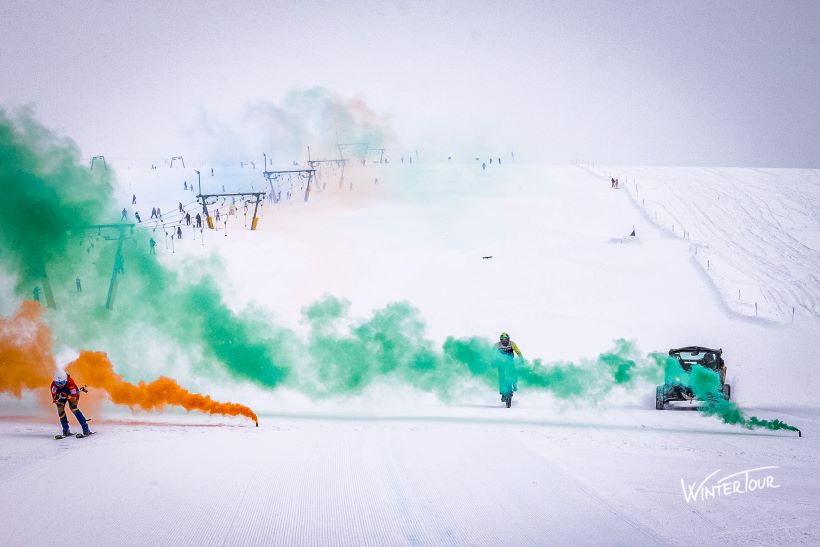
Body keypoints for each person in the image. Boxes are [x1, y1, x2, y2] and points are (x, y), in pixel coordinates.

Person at [51, 371, 91, 437]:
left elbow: (74, 399)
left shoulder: (70, 382)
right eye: (57, 383)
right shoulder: (53, 385)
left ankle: (86, 429)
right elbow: (55, 400)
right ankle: (65, 430)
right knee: (60, 409)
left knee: (73, 408)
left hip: (72, 395)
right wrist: (56, 398)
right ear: (54, 381)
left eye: (62, 382)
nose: (60, 385)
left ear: (66, 380)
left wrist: (68, 396)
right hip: (62, 395)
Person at [495, 332, 523, 406]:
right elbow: (492, 354)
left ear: (508, 339)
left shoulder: (512, 344)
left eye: (506, 339)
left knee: (513, 372)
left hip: (510, 361)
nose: (504, 341)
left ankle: (514, 384)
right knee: (501, 377)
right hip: (501, 363)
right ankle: (502, 392)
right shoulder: (497, 345)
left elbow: (518, 352)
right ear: (500, 340)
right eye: (502, 340)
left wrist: (521, 359)